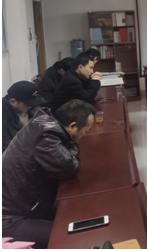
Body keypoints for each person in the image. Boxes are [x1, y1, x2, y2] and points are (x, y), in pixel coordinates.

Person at [2, 99, 95, 249]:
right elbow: (68, 168)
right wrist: (72, 144)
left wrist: (68, 147)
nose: (85, 134)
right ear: (72, 126)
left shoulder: (44, 121)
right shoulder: (46, 135)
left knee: (77, 219)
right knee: (68, 236)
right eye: (86, 129)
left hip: (29, 204)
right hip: (11, 218)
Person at [3, 81, 46, 152]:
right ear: (13, 101)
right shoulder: (3, 119)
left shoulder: (32, 109)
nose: (30, 106)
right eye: (27, 104)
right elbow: (7, 149)